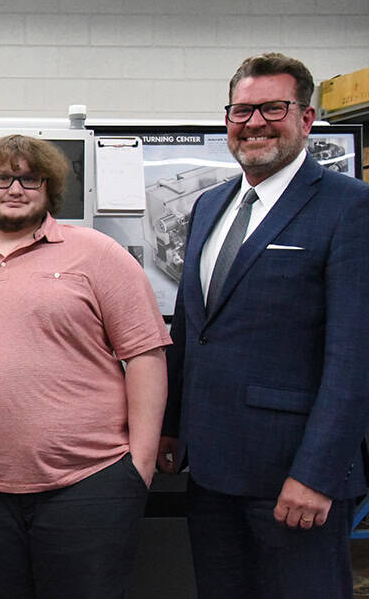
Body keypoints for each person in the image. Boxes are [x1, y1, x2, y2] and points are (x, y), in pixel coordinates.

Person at [0, 134, 170, 598]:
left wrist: (137, 465)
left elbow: (145, 356)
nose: (15, 188)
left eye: (29, 178)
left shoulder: (99, 255)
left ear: (49, 187)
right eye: (1, 177)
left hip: (90, 483)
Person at [158, 53, 369, 599]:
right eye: (241, 110)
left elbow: (354, 358)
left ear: (307, 118)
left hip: (293, 475)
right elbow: (192, 325)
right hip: (210, 469)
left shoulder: (350, 207)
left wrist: (317, 474)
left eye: (272, 108)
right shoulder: (209, 205)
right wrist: (172, 426)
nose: (254, 123)